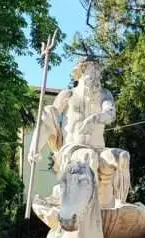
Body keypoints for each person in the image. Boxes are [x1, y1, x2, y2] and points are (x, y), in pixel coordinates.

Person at [30, 58, 130, 209]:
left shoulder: (104, 94)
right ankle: (88, 210)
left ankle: (118, 205)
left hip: (99, 149)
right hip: (72, 150)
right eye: (94, 70)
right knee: (88, 156)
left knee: (122, 157)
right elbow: (48, 119)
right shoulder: (68, 95)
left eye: (99, 71)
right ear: (82, 71)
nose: (98, 75)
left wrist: (94, 118)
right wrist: (35, 147)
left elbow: (110, 114)